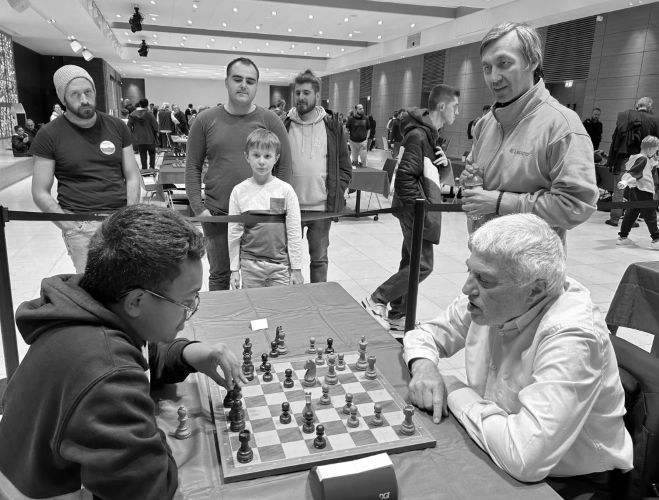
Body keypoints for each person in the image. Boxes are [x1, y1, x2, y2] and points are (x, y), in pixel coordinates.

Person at [0, 204, 246, 499]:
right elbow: (152, 490)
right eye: (187, 300)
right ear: (137, 302)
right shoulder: (108, 374)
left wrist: (188, 353)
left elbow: (143, 354)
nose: (191, 310)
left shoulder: (89, 308)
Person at [404, 213, 633, 494]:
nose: (467, 288)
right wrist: (424, 365)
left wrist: (454, 389)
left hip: (572, 481)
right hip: (500, 445)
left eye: (484, 279)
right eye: (470, 271)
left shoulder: (572, 336)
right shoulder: (495, 297)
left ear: (535, 289)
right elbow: (426, 333)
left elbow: (526, 459)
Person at [461, 22, 598, 242]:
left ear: (533, 61)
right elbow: (477, 181)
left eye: (504, 64)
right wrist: (471, 180)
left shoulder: (562, 125)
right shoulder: (485, 124)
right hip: (482, 252)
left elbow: (575, 205)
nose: (494, 78)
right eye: (487, 68)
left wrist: (500, 202)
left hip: (530, 261)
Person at [185, 57, 292, 291]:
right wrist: (199, 209)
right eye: (237, 79)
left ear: (256, 86)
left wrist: (277, 212)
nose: (244, 85)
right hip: (218, 216)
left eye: (250, 81)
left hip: (263, 219)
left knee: (264, 276)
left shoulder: (270, 120)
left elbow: (284, 166)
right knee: (220, 275)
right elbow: (192, 166)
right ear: (226, 82)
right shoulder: (205, 120)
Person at [362, 84, 459, 336]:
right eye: (455, 107)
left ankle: (398, 314)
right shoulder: (419, 135)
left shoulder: (429, 135)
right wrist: (418, 209)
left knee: (410, 261)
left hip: (419, 209)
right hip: (415, 211)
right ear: (442, 106)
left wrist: (443, 165)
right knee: (423, 265)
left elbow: (431, 177)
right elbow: (405, 176)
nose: (458, 113)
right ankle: (377, 299)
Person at [30, 65, 141, 273]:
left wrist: (129, 215)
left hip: (120, 219)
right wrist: (70, 226)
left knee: (128, 281)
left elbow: (132, 176)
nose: (84, 99)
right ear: (63, 99)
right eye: (75, 94)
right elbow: (39, 191)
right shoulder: (49, 134)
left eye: (88, 92)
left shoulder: (117, 127)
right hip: (79, 222)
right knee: (92, 286)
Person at [283, 69, 352, 283]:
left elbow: (345, 167)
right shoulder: (284, 124)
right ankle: (289, 301)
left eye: (306, 93)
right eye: (297, 93)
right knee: (286, 262)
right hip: (289, 209)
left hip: (321, 209)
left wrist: (335, 191)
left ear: (317, 95)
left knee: (319, 260)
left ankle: (318, 300)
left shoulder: (332, 126)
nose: (301, 97)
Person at [228, 129, 303, 289]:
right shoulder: (239, 192)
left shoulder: (286, 191)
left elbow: (294, 231)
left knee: (281, 303)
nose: (261, 161)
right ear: (247, 157)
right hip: (250, 265)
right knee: (254, 304)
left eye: (267, 156)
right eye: (256, 155)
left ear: (276, 158)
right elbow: (234, 232)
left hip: (280, 266)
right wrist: (234, 269)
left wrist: (296, 268)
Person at [605, 97, 659, 226]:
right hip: (642, 160)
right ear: (649, 107)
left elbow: (615, 139)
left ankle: (614, 219)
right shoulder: (655, 120)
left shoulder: (624, 117)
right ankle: (631, 221)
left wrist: (612, 159)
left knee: (619, 188)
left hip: (624, 158)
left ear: (637, 106)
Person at [615, 135, 659, 248]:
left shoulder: (640, 158)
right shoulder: (643, 159)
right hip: (643, 190)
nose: (655, 152)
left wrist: (654, 161)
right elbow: (634, 172)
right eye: (655, 150)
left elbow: (644, 168)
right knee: (650, 214)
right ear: (650, 148)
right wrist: (625, 181)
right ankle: (656, 239)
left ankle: (623, 237)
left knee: (631, 213)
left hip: (635, 190)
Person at [128, 97, 159, 170]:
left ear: (140, 104)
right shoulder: (149, 114)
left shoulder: (133, 114)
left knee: (142, 155)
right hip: (150, 138)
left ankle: (144, 170)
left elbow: (128, 126)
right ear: (147, 105)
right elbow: (155, 126)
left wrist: (133, 134)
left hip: (139, 138)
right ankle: (152, 168)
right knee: (152, 153)